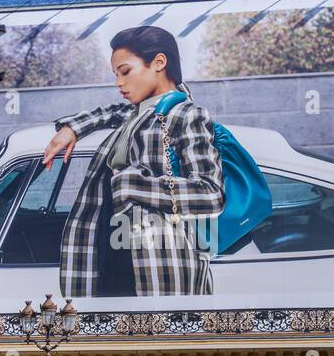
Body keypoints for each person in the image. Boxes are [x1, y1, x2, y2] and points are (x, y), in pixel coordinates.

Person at [42, 26, 225, 299]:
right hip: (110, 258)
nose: (118, 83)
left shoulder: (186, 114)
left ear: (159, 63)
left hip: (158, 266)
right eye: (115, 75)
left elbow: (211, 193)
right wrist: (72, 129)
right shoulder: (137, 113)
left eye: (125, 72)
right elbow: (108, 112)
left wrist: (135, 184)